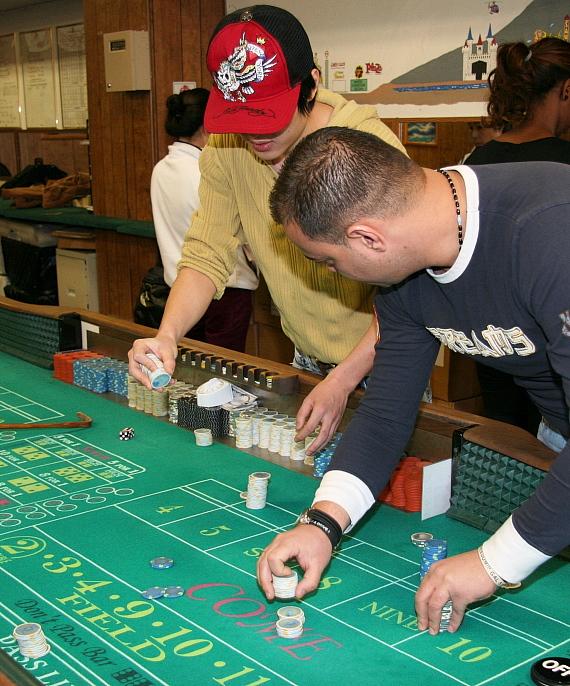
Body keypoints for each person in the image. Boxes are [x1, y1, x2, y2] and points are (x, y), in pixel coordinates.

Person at [256, 126, 570, 637]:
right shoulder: (404, 277)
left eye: (329, 261)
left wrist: (494, 563)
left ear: (368, 237)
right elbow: (385, 414)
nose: (336, 275)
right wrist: (322, 524)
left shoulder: (550, 230)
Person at [128, 5, 406, 453]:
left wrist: (344, 378)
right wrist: (167, 334)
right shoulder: (225, 143)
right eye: (240, 117)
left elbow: (411, 296)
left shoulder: (366, 146)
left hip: (387, 360)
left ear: (311, 85)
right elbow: (205, 253)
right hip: (304, 358)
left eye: (268, 114)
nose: (253, 135)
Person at [464, 37, 570, 433]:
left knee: (507, 447)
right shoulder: (564, 163)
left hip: (491, 341)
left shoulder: (479, 162)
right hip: (552, 350)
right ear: (566, 89)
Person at [150, 88, 258, 352]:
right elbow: (244, 236)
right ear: (209, 126)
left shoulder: (161, 169)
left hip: (180, 290)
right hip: (224, 288)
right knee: (225, 373)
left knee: (192, 367)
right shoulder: (206, 172)